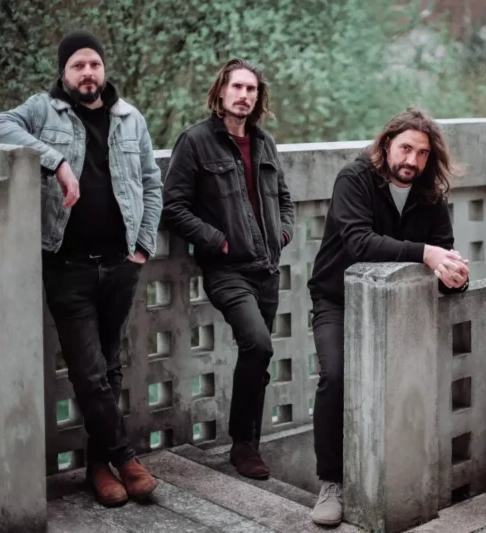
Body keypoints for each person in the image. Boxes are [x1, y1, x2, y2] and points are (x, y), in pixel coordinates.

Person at [0, 30, 163, 507]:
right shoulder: (44, 110)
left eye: (94, 65)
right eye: (78, 65)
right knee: (88, 371)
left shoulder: (130, 118)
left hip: (120, 264)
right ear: (64, 71)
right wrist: (56, 160)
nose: (87, 73)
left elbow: (151, 183)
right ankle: (124, 457)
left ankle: (98, 469)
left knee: (111, 366)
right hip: (67, 265)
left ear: (105, 70)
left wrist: (142, 247)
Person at [306, 106, 470, 526]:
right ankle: (332, 483)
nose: (411, 161)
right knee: (336, 376)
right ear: (386, 145)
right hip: (337, 297)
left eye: (421, 153)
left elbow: (441, 248)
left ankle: (412, 474)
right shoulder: (354, 178)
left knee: (413, 379)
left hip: (398, 306)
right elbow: (359, 242)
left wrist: (454, 275)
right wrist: (426, 254)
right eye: (405, 149)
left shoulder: (431, 192)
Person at [161, 58, 295, 480]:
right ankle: (242, 443)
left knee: (260, 355)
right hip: (227, 270)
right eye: (237, 87)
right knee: (257, 344)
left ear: (258, 98)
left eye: (252, 90)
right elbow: (172, 206)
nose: (244, 95)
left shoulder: (265, 143)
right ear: (221, 92)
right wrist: (217, 240)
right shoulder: (196, 142)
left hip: (267, 268)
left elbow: (285, 198)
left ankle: (248, 445)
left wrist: (284, 233)